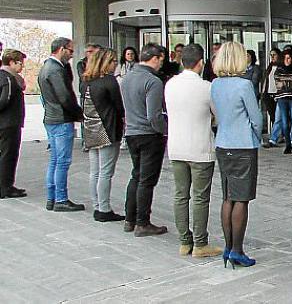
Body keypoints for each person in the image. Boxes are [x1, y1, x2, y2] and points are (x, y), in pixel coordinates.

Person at [164, 43, 222, 258]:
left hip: (176, 146)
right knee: (200, 197)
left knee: (180, 195)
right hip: (200, 147)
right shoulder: (207, 87)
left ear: (182, 61)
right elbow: (217, 114)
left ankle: (184, 241)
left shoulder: (170, 84)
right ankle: (200, 243)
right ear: (201, 63)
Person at [210, 41, 262, 268]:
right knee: (242, 198)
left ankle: (228, 247)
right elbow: (256, 117)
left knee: (228, 196)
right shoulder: (244, 85)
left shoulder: (215, 84)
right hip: (243, 145)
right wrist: (256, 136)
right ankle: (237, 250)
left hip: (223, 143)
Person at [120, 43, 168, 236]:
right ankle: (142, 222)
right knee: (147, 180)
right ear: (155, 58)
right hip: (149, 135)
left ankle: (129, 219)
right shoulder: (153, 81)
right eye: (161, 60)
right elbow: (154, 115)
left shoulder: (127, 77)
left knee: (136, 175)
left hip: (131, 132)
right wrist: (165, 131)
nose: (161, 65)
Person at [38, 37, 84, 212]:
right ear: (62, 49)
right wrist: (78, 114)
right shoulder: (55, 69)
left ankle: (52, 197)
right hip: (61, 119)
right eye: (71, 51)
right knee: (62, 161)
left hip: (52, 118)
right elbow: (65, 96)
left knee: (55, 160)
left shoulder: (47, 67)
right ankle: (61, 199)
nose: (72, 55)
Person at [80, 48, 125, 222]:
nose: (116, 65)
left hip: (90, 128)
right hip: (108, 128)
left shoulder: (86, 81)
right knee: (106, 171)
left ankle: (97, 205)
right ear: (106, 62)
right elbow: (119, 107)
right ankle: (104, 209)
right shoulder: (109, 81)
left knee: (95, 171)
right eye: (114, 61)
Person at [0, 49, 27, 199]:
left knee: (5, 154)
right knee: (8, 155)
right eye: (19, 63)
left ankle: (5, 185)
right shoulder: (9, 79)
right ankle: (5, 187)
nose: (22, 66)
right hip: (9, 123)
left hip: (6, 122)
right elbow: (5, 99)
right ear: (11, 62)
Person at [274, 50, 292, 154]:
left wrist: (285, 81)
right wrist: (290, 81)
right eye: (285, 58)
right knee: (285, 123)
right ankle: (288, 145)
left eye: (289, 57)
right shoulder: (279, 69)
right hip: (282, 98)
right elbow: (278, 84)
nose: (288, 60)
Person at [262, 48, 282, 144]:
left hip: (278, 94)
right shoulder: (270, 67)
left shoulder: (281, 66)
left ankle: (275, 137)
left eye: (274, 54)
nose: (272, 56)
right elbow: (266, 81)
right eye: (271, 55)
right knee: (273, 116)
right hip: (269, 93)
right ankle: (278, 135)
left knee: (279, 117)